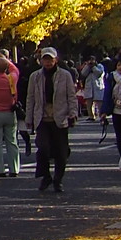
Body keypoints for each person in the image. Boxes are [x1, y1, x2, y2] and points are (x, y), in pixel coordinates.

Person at [25, 46, 77, 193]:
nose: (48, 62)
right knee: (43, 148)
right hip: (42, 117)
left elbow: (71, 96)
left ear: (56, 60)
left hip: (60, 117)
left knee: (61, 152)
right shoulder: (35, 76)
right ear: (41, 61)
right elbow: (30, 98)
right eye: (45, 59)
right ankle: (46, 176)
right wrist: (29, 117)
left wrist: (73, 113)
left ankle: (58, 180)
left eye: (50, 59)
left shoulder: (65, 75)